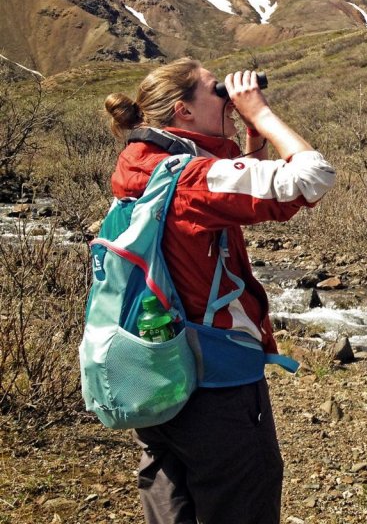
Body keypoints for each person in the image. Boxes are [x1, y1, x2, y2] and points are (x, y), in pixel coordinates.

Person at [104, 58, 335, 524]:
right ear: (183, 112)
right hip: (214, 382)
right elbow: (312, 177)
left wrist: (249, 148)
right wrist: (262, 114)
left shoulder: (142, 166)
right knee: (241, 496)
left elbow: (211, 201)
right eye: (217, 90)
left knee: (173, 495)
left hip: (155, 369)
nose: (229, 95)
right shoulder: (187, 177)